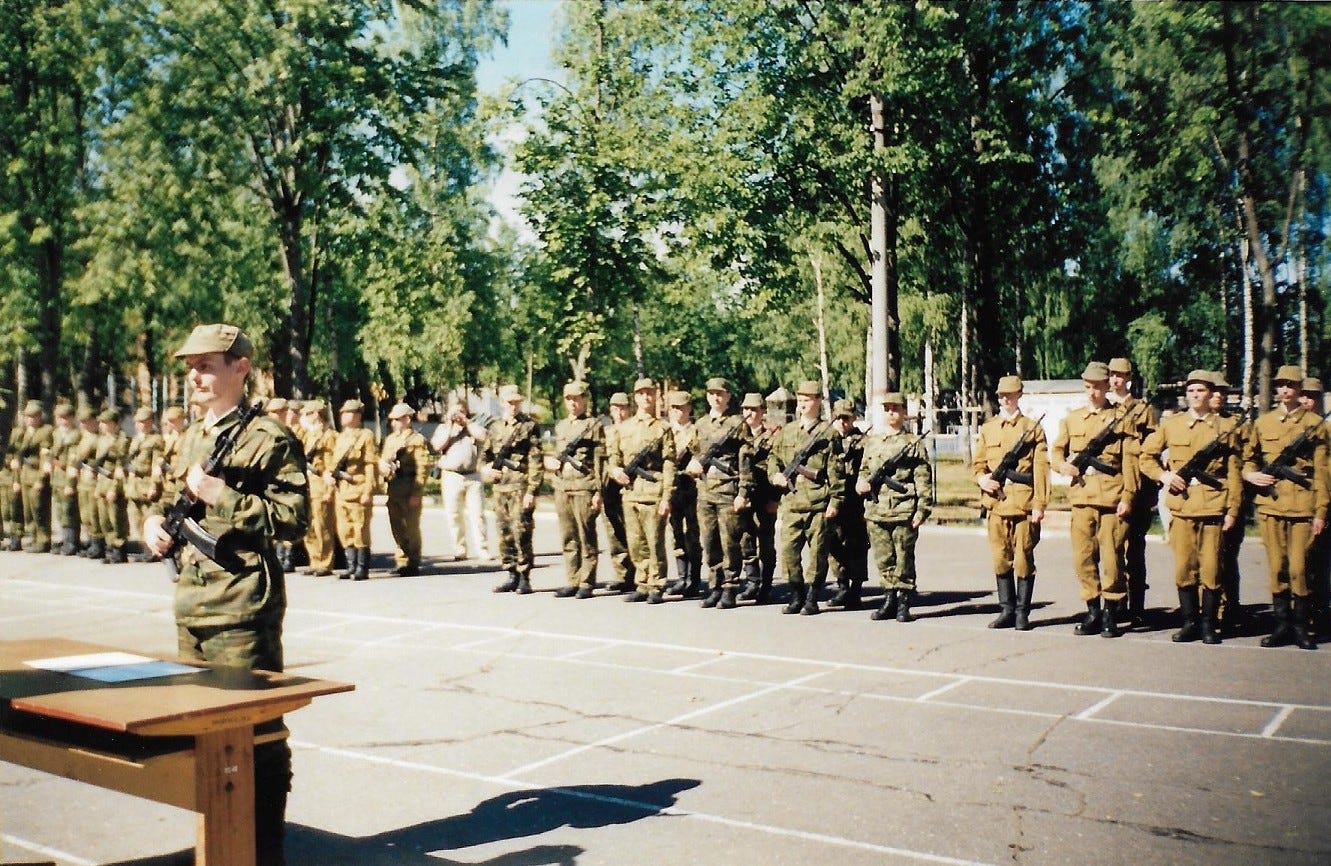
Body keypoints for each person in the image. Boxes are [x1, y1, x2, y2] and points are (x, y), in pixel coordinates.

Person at [141, 323, 309, 865]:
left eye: (207, 365)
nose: (195, 376)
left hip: (240, 606)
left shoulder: (269, 438)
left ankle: (264, 851)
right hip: (191, 602)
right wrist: (154, 525)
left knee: (254, 732)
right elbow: (172, 499)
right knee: (204, 736)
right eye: (190, 367)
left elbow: (293, 519)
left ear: (241, 367)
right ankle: (222, 844)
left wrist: (223, 494)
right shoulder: (193, 435)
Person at [1139, 370, 1241, 644]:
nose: (1196, 395)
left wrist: (1232, 510)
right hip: (1182, 508)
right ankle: (1189, 623)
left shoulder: (1224, 427)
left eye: (1201, 391)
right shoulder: (1172, 425)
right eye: (1192, 391)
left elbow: (1233, 472)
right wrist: (1164, 476)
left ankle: (1208, 624)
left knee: (1211, 569)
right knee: (1184, 568)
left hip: (1213, 507)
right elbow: (1146, 457)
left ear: (1211, 394)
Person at [1243, 364, 1328, 650]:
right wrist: (1250, 475)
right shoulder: (1263, 423)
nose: (1285, 390)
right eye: (1280, 385)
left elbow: (1322, 473)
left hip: (1303, 507)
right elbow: (1249, 459)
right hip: (1271, 505)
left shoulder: (1316, 425)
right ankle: (1281, 626)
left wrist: (1321, 512)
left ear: (1299, 390)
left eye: (1291, 385)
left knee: (1299, 569)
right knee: (1277, 568)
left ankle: (1301, 627)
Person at [1052, 361, 1138, 637]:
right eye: (1088, 387)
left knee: (1112, 560)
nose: (1092, 392)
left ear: (1107, 386)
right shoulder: (1072, 419)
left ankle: (1111, 613)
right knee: (1083, 558)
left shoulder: (1122, 418)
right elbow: (1056, 452)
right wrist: (1062, 465)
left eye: (1097, 387)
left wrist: (1128, 495)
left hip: (1113, 499)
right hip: (1081, 498)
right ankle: (1093, 612)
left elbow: (1130, 461)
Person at [974, 375, 1049, 631]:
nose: (1005, 399)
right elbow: (978, 465)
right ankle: (1006, 609)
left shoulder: (1032, 428)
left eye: (1010, 394)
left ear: (1019, 395)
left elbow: (1041, 469)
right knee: (999, 558)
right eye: (1001, 395)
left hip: (1024, 504)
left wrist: (1040, 504)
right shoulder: (988, 428)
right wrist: (983, 480)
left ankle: (1022, 613)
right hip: (996, 504)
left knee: (1023, 558)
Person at [767, 380, 843, 615]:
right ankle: (796, 593)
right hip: (792, 502)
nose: (802, 403)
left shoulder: (828, 433)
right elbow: (773, 458)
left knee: (818, 553)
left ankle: (812, 596)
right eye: (800, 398)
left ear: (818, 401)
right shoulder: (788, 431)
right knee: (788, 551)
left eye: (808, 399)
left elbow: (836, 471)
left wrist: (835, 501)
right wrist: (775, 476)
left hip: (818, 503)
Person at [857, 392, 932, 622]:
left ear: (903, 412)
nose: (891, 413)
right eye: (887, 408)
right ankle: (888, 598)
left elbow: (923, 478)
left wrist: (922, 509)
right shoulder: (873, 442)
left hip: (903, 509)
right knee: (883, 558)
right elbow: (864, 470)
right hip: (876, 510)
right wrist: (861, 483)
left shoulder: (912, 444)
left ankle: (904, 601)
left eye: (896, 409)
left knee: (904, 558)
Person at [607, 377, 676, 603]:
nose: (646, 397)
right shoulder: (624, 428)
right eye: (641, 394)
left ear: (655, 396)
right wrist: (615, 471)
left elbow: (668, 463)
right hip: (630, 492)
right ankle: (643, 582)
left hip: (653, 491)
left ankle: (657, 584)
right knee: (636, 543)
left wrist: (667, 496)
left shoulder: (662, 428)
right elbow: (613, 458)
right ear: (635, 397)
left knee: (655, 542)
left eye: (650, 393)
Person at [685, 377, 751, 609]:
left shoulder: (737, 423)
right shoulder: (701, 424)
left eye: (720, 394)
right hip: (704, 492)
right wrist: (693, 463)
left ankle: (730, 587)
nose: (716, 397)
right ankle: (714, 586)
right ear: (707, 396)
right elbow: (692, 451)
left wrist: (743, 492)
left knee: (730, 543)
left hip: (727, 490)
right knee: (709, 541)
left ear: (728, 397)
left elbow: (745, 461)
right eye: (712, 393)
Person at [1107, 357, 1158, 627]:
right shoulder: (1103, 409)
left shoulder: (1143, 409)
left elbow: (1153, 450)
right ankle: (1115, 604)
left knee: (1135, 550)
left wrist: (1151, 491)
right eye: (1112, 375)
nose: (1116, 380)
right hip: (1110, 488)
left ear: (1129, 378)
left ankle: (1137, 607)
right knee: (1111, 549)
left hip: (1138, 489)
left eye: (1120, 375)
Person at [546, 382, 604, 597]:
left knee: (586, 535)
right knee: (568, 536)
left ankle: (587, 582)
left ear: (585, 399)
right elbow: (557, 453)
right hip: (562, 487)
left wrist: (598, 491)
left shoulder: (594, 425)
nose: (573, 402)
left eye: (577, 398)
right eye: (569, 399)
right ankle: (572, 578)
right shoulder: (561, 426)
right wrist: (550, 463)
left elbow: (600, 461)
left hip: (584, 486)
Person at [483, 385, 542, 594]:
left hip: (519, 486)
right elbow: (485, 457)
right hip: (500, 489)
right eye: (509, 402)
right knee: (504, 533)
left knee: (522, 532)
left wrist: (532, 490)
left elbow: (535, 460)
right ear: (501, 403)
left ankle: (525, 575)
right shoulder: (495, 427)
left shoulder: (529, 426)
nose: (514, 406)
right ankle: (511, 573)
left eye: (517, 402)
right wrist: (488, 470)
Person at [826, 398, 870, 610]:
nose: (842, 422)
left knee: (858, 546)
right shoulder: (827, 440)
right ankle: (841, 585)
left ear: (853, 418)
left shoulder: (864, 442)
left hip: (855, 502)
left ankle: (856, 589)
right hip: (833, 499)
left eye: (847, 418)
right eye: (839, 417)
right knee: (833, 544)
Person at [379, 402, 431, 576]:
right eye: (392, 420)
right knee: (397, 526)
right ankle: (402, 560)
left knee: (411, 527)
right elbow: (384, 461)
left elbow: (423, 468)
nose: (393, 423)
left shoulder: (417, 440)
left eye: (397, 419)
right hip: (393, 487)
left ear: (407, 419)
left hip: (409, 487)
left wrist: (417, 492)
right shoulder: (391, 439)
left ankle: (414, 560)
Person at [329, 399, 378, 580]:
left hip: (358, 489)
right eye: (342, 413)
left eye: (348, 413)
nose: (344, 416)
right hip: (341, 490)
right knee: (344, 530)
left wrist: (368, 491)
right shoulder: (340, 437)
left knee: (360, 530)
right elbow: (333, 464)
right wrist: (329, 475)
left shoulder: (366, 436)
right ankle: (350, 566)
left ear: (358, 415)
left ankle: (361, 567)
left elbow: (370, 465)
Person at [433, 399, 488, 561]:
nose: (458, 415)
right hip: (451, 476)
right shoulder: (443, 429)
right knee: (454, 515)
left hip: (473, 476)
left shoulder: (472, 428)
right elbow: (437, 446)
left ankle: (482, 548)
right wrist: (450, 426)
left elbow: (483, 436)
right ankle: (460, 548)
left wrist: (466, 422)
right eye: (454, 412)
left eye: (461, 411)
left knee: (478, 514)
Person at [738, 392, 780, 604]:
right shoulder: (737, 436)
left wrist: (776, 499)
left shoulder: (773, 437)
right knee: (746, 541)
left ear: (762, 411)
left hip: (765, 497)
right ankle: (752, 582)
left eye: (754, 409)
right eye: (746, 409)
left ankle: (766, 584)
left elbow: (779, 467)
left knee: (766, 543)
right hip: (744, 498)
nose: (749, 414)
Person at [665, 389, 702, 597]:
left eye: (681, 407)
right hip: (673, 488)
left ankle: (694, 579)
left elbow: (701, 455)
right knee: (676, 533)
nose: (677, 412)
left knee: (693, 534)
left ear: (689, 408)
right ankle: (682, 578)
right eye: (674, 408)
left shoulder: (695, 431)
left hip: (692, 489)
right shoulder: (665, 431)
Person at [600, 392, 635, 592]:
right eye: (615, 408)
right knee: (614, 532)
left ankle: (639, 574)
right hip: (609, 487)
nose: (619, 413)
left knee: (635, 532)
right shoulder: (607, 431)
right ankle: (622, 574)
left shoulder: (634, 429)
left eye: (623, 408)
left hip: (631, 485)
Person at [299, 399, 337, 576]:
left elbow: (331, 465)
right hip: (305, 485)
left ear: (317, 415)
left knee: (323, 525)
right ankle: (314, 560)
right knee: (309, 526)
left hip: (320, 485)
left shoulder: (329, 436)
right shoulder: (306, 435)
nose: (303, 418)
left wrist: (329, 490)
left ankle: (325, 562)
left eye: (307, 414)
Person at [123, 407, 166, 562]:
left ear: (150, 422)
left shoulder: (156, 440)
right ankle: (144, 548)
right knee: (135, 517)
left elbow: (157, 464)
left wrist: (154, 485)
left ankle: (151, 550)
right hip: (134, 485)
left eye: (143, 422)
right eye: (137, 422)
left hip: (146, 483)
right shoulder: (136, 439)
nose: (139, 425)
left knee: (147, 518)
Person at [13, 400, 54, 553]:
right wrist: (17, 478)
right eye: (28, 416)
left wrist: (41, 479)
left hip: (36, 473)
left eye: (33, 416)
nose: (30, 419)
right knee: (28, 509)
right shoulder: (21, 433)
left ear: (39, 417)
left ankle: (43, 539)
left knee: (39, 508)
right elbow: (16, 454)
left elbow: (45, 457)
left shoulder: (45, 431)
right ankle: (34, 536)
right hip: (24, 474)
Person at [93, 409, 131, 563]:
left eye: (106, 423)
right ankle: (110, 548)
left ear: (115, 424)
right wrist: (97, 488)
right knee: (104, 519)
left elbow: (120, 467)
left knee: (116, 518)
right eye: (101, 422)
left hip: (114, 484)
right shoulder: (102, 440)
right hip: (102, 483)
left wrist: (114, 488)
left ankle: (119, 549)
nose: (102, 426)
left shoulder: (122, 440)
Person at [48, 403, 83, 555]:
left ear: (72, 419)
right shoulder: (56, 434)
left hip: (68, 477)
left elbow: (73, 460)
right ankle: (65, 539)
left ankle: (72, 541)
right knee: (60, 510)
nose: (63, 421)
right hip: (57, 477)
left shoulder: (76, 435)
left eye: (66, 418)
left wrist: (71, 483)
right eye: (60, 418)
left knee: (70, 510)